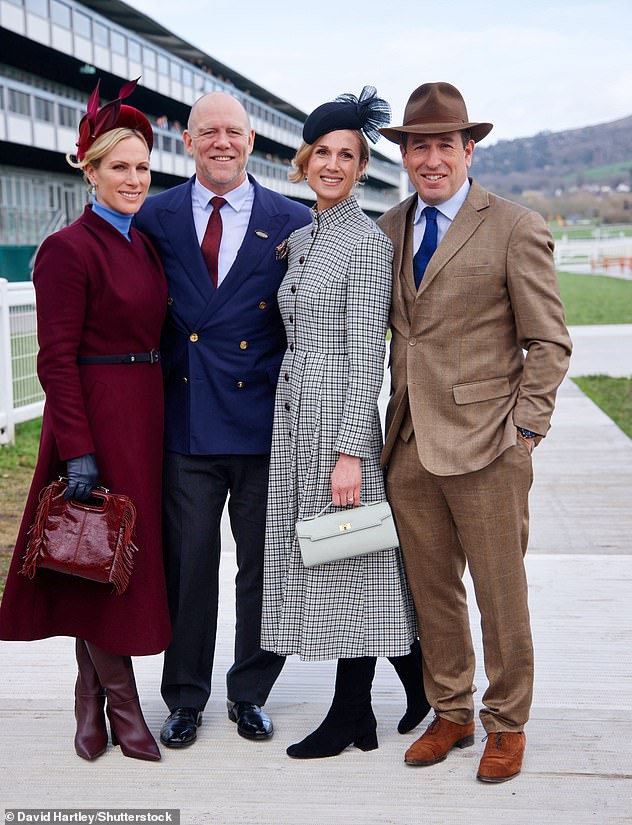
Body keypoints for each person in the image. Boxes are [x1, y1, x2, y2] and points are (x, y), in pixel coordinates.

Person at [376, 82, 572, 782]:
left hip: (490, 443)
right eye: (418, 146)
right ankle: (451, 710)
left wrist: (527, 428)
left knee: (499, 594)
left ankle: (506, 722)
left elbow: (549, 341)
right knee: (433, 591)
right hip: (409, 445)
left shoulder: (514, 225)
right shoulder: (388, 227)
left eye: (444, 145)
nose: (431, 159)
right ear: (404, 155)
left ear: (468, 151)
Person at [0, 79, 171, 762]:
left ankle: (87, 697)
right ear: (90, 171)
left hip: (143, 413)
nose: (134, 179)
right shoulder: (68, 248)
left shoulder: (142, 242)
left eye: (142, 167)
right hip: (96, 418)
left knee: (103, 557)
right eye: (119, 167)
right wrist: (77, 448)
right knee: (96, 551)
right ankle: (123, 707)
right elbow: (54, 358)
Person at [134, 92, 311, 748]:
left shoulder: (292, 219)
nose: (221, 142)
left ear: (251, 139)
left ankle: (250, 692)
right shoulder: (153, 217)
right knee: (189, 568)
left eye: (233, 131)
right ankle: (185, 696)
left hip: (266, 423)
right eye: (208, 132)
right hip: (186, 420)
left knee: (263, 567)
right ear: (187, 141)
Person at [261, 87, 429, 760]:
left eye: (348, 156)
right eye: (323, 153)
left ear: (362, 168)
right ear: (305, 160)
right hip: (295, 419)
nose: (333, 165)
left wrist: (352, 451)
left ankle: (351, 712)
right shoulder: (304, 237)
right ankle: (415, 681)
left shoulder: (364, 242)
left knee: (348, 561)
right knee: (344, 558)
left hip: (338, 421)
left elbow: (367, 354)